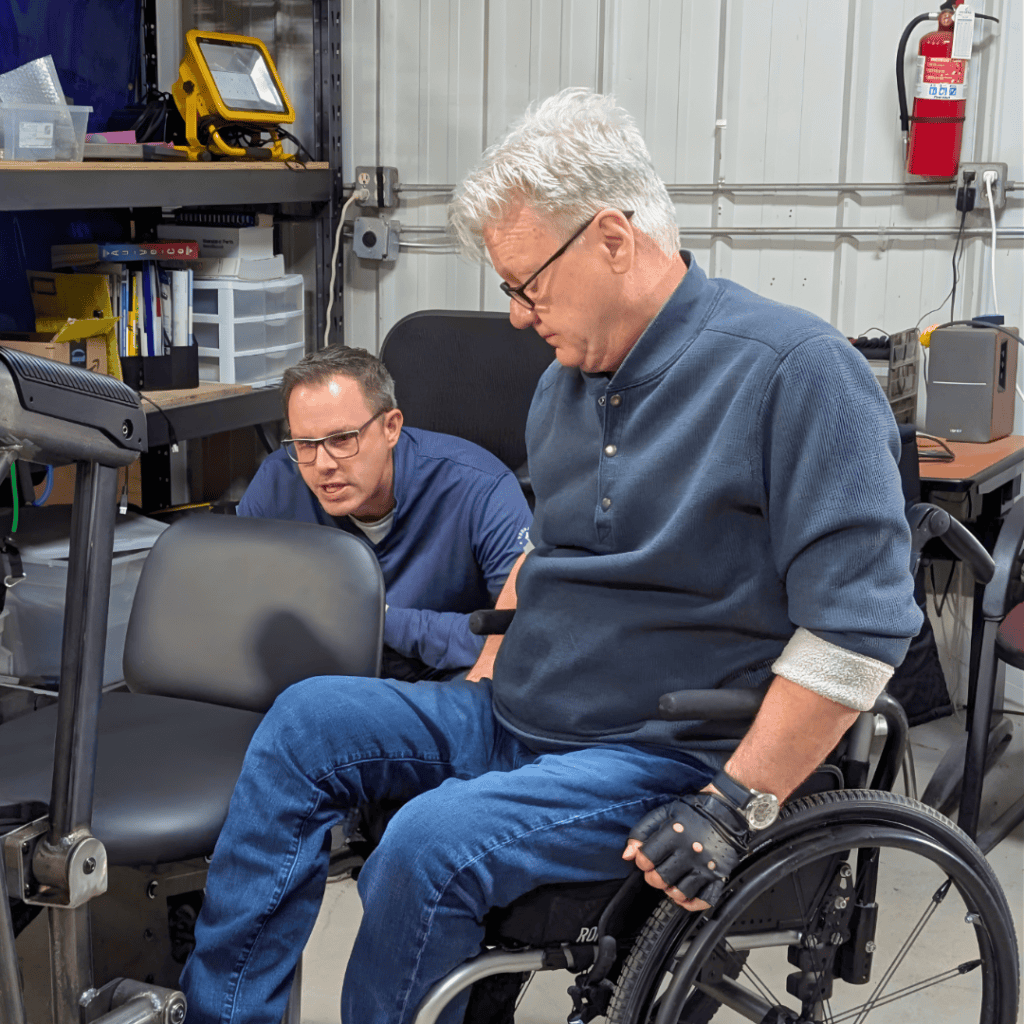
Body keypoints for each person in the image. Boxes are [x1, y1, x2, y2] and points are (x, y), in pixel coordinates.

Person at [180, 88, 921, 1024]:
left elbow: (859, 628)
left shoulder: (795, 373)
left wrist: (738, 804)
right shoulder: (566, 386)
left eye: (528, 284)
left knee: (425, 843)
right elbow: (556, 553)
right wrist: (499, 654)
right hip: (517, 715)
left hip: (662, 756)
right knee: (306, 723)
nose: (522, 317)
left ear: (613, 240)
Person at [237, 345, 532, 680]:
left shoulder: (483, 488)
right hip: (323, 677)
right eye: (305, 443)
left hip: (440, 683)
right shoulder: (277, 483)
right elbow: (241, 615)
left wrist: (381, 620)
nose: (322, 465)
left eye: (342, 439)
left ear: (391, 427)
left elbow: (526, 636)